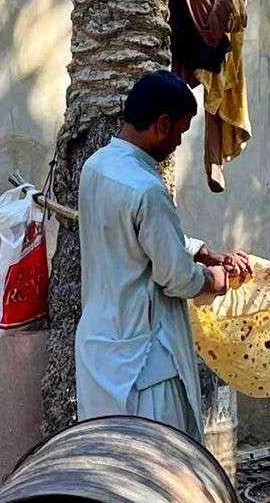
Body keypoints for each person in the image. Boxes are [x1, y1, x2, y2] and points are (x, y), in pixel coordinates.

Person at [75, 69, 251, 441]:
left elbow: (133, 238)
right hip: (146, 364)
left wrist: (204, 252)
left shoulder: (97, 167)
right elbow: (177, 278)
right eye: (180, 133)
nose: (177, 143)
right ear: (161, 124)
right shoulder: (147, 189)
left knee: (108, 463)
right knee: (156, 467)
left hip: (100, 347)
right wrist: (217, 281)